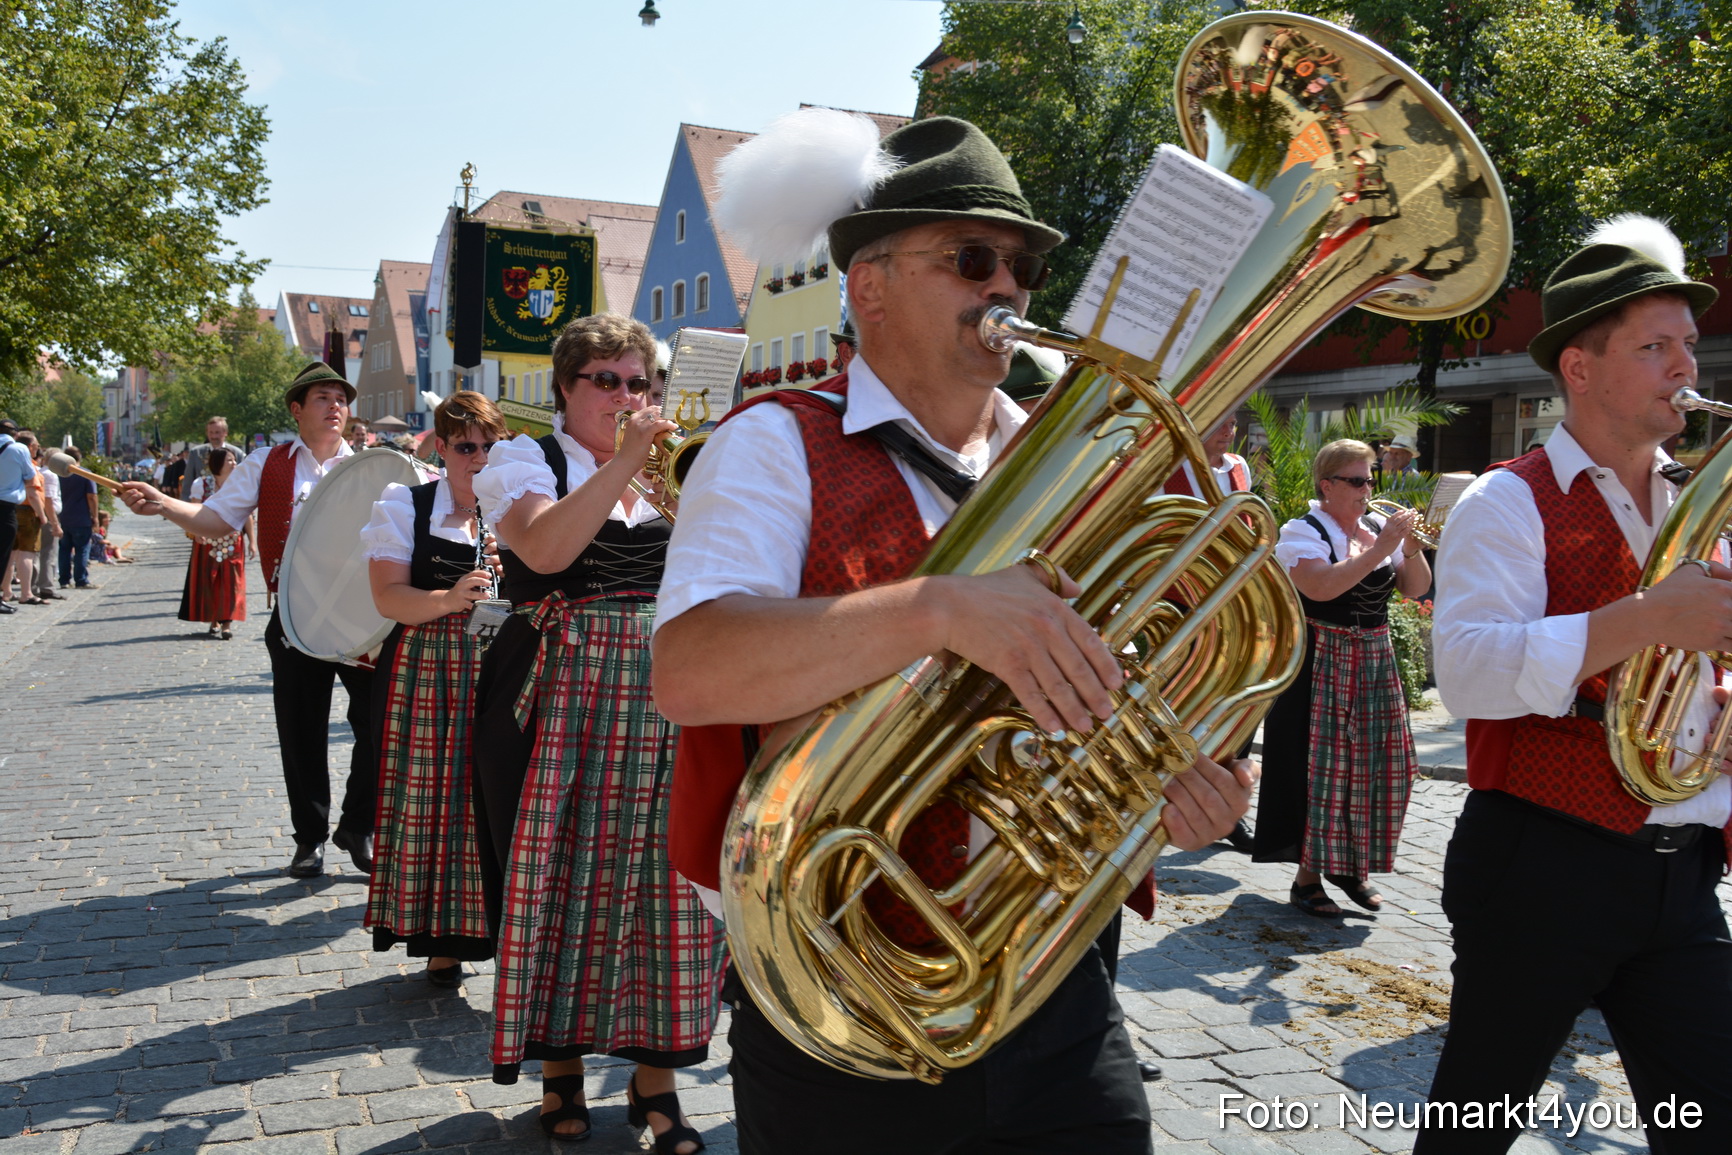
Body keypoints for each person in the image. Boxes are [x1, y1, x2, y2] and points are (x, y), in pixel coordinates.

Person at [653, 113, 1256, 1155]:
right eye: (973, 259)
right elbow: (691, 670)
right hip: (842, 993)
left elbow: (1138, 685)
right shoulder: (770, 444)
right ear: (869, 285)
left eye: (1019, 267)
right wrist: (937, 609)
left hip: (1056, 979)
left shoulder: (1084, 468)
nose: (1009, 291)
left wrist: (1177, 791)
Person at [1418, 217, 1731, 1153]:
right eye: (1655, 346)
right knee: (1470, 1128)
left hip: (1681, 871)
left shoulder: (1698, 501)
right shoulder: (1506, 499)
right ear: (1581, 370)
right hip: (1541, 865)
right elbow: (1468, 669)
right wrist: (1645, 618)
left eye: (1689, 344)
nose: (1687, 365)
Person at [471, 314, 723, 1150]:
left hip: (666, 688)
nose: (627, 396)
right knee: (561, 874)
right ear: (565, 388)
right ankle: (560, 1070)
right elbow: (543, 551)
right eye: (606, 380)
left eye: (638, 381)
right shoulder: (524, 461)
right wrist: (622, 460)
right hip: (563, 694)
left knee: (668, 883)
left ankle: (657, 1082)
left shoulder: (670, 472)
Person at [120, 362, 379, 880]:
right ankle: (310, 839)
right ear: (296, 409)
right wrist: (166, 504)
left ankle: (359, 824)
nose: (334, 406)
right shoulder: (268, 463)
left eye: (340, 399)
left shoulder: (373, 467)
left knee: (380, 725)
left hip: (363, 620)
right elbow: (216, 519)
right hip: (293, 617)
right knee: (301, 731)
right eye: (322, 398)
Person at [359, 391, 502, 990]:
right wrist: (448, 599)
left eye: (490, 446)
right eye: (466, 447)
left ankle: (508, 929)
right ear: (440, 449)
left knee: (498, 799)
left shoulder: (520, 505)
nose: (479, 458)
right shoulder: (407, 504)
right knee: (436, 799)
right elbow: (388, 597)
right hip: (430, 670)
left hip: (501, 664)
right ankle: (443, 938)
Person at [1251, 440, 1428, 917]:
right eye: (1356, 480)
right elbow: (1321, 585)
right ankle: (1307, 878)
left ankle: (1351, 867)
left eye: (1371, 478)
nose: (1367, 488)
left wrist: (1408, 548)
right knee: (1322, 769)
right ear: (1326, 486)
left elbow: (1416, 588)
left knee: (1381, 763)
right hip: (1323, 658)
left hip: (1374, 656)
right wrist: (1384, 548)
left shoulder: (1374, 528)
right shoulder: (1302, 531)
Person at [1164, 414, 1258, 856]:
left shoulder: (1239, 467)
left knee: (1237, 704)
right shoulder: (1169, 467)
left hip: (1233, 601)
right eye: (1219, 421)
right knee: (1185, 703)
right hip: (1183, 600)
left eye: (1233, 421)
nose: (1229, 429)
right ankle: (1174, 795)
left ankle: (1228, 805)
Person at [177, 445, 254, 639]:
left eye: (234, 460)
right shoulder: (201, 484)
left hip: (232, 540)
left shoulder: (240, 486)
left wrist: (253, 541)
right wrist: (195, 531)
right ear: (218, 463)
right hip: (207, 540)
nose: (234, 463)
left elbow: (247, 515)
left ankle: (227, 622)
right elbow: (192, 511)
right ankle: (214, 619)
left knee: (231, 581)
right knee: (209, 580)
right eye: (230, 460)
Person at [3, 432, 50, 606]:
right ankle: (26, 593)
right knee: (27, 553)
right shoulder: (28, 464)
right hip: (27, 511)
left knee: (8, 554)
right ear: (30, 447)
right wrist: (42, 515)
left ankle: (7, 591)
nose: (38, 449)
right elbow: (33, 491)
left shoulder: (8, 460)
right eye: (37, 446)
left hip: (10, 509)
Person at [0, 419, 35, 616]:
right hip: (5, 508)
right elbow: (30, 477)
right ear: (15, 434)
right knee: (3, 554)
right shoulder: (19, 449)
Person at [57, 447, 99, 590]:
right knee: (82, 549)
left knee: (64, 550)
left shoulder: (59, 475)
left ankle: (64, 580)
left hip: (63, 517)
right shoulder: (85, 474)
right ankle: (81, 580)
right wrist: (95, 516)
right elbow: (92, 497)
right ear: (79, 458)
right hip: (81, 517)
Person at [182, 416, 234, 499]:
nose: (214, 436)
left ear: (225, 432)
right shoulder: (196, 453)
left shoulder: (237, 454)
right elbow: (188, 482)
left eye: (217, 432)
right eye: (211, 432)